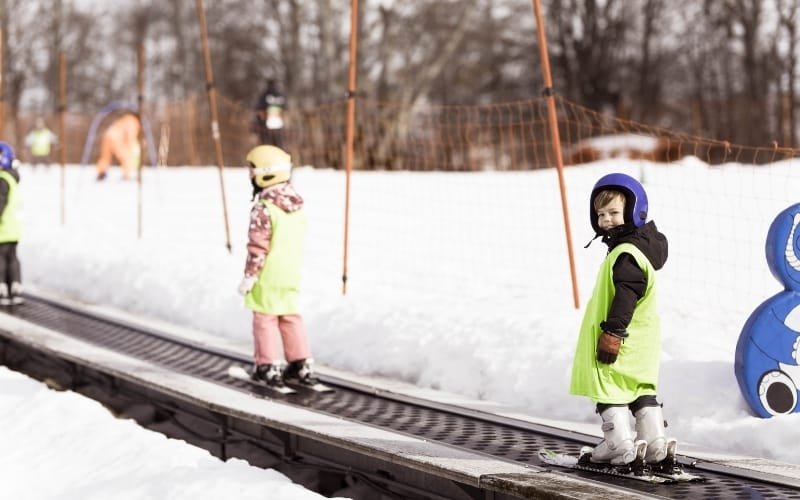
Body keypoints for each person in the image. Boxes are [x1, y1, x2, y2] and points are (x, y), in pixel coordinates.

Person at [569, 172, 671, 466]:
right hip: (643, 341)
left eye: (614, 212)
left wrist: (613, 332)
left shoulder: (626, 254)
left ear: (635, 211)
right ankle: (653, 443)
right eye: (601, 214)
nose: (606, 220)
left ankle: (617, 443)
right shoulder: (638, 250)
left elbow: (626, 294)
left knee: (609, 386)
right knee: (640, 388)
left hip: (621, 338)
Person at [238, 144, 316, 388]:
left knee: (265, 319)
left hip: (268, 275)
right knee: (291, 317)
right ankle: (300, 363)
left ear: (264, 173)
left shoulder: (264, 209)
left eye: (251, 171)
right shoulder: (296, 205)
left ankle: (267, 365)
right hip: (291, 272)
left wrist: (250, 276)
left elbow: (257, 247)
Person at [0, 142, 23, 306]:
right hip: (13, 229)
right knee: (12, 258)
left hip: (2, 229)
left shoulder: (2, 180)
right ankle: (15, 286)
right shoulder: (12, 178)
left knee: (0, 259)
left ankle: (2, 288)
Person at [96, 113, 141, 181]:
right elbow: (130, 137)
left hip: (107, 135)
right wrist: (132, 147)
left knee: (105, 156)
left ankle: (101, 172)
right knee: (126, 156)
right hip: (116, 138)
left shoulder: (124, 119)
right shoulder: (133, 121)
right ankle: (126, 175)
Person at [252, 79, 286, 148]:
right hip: (275, 125)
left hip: (268, 125)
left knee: (267, 144)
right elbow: (286, 109)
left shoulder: (264, 96)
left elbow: (258, 110)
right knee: (278, 145)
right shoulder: (281, 96)